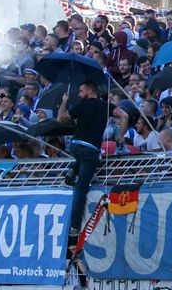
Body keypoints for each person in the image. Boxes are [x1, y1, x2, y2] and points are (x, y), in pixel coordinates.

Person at [58, 81, 127, 235]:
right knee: (81, 189)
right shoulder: (106, 106)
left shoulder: (81, 106)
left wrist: (64, 101)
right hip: (91, 149)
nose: (79, 94)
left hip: (75, 145)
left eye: (81, 91)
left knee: (83, 158)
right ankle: (74, 226)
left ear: (90, 90)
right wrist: (120, 136)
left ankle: (72, 170)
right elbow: (125, 115)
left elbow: (60, 118)